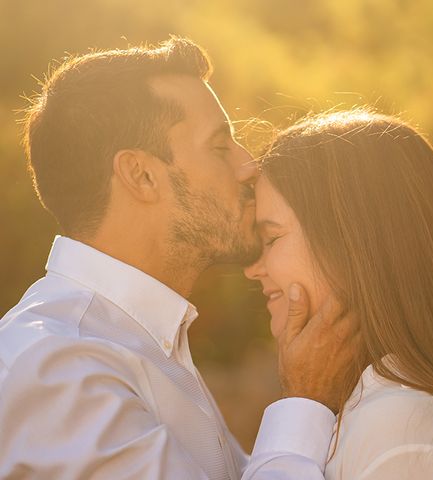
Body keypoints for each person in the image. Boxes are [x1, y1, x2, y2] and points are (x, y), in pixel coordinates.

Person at [0, 38, 357, 479]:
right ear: (142, 176)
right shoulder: (61, 369)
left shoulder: (141, 341)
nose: (249, 165)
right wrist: (306, 399)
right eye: (221, 146)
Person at [244, 109, 433, 479]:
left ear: (354, 244)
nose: (254, 268)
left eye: (271, 238)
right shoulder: (379, 412)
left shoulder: (403, 429)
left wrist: (302, 404)